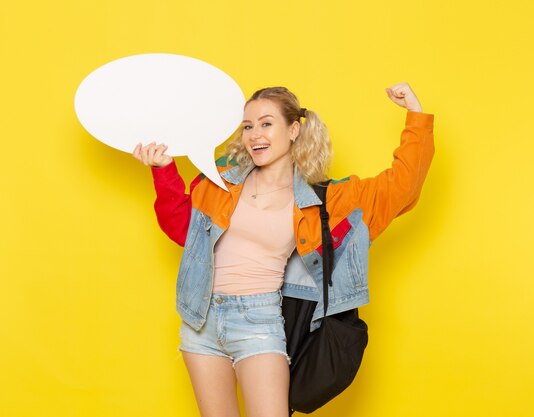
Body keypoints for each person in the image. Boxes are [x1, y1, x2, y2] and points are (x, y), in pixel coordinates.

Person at [132, 83, 434, 417]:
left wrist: (415, 115)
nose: (254, 134)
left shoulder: (324, 201)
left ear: (293, 130)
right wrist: (162, 171)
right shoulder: (220, 179)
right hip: (200, 319)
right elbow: (182, 230)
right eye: (248, 126)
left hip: (259, 321)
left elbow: (401, 187)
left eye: (265, 123)